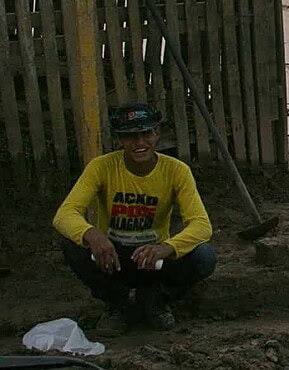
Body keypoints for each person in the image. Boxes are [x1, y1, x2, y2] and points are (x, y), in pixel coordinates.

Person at [53, 102, 216, 334]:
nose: (139, 143)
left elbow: (201, 225)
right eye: (130, 136)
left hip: (153, 259)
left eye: (146, 134)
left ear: (157, 134)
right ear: (120, 139)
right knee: (71, 243)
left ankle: (156, 300)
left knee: (204, 255)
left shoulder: (177, 171)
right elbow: (64, 214)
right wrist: (93, 235)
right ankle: (117, 305)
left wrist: (167, 247)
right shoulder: (101, 167)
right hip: (112, 257)